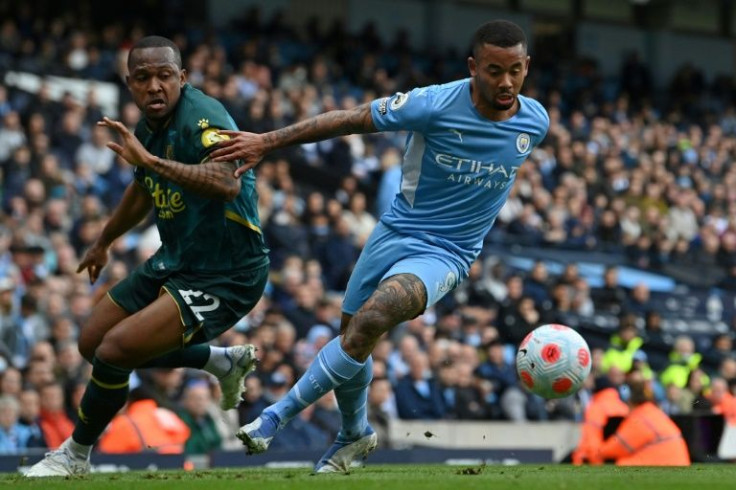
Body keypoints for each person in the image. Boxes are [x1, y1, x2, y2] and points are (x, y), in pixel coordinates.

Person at [211, 20, 548, 473]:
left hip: (448, 252)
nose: (505, 82)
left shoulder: (535, 122)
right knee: (354, 337)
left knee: (372, 319)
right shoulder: (432, 103)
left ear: (526, 67)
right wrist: (268, 142)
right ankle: (354, 436)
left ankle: (275, 416)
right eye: (493, 70)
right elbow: (349, 120)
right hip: (393, 233)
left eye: (514, 70)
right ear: (473, 68)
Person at [26, 35, 269, 477]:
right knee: (90, 344)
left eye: (163, 76)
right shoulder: (147, 130)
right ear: (129, 84)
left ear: (182, 78)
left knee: (115, 351)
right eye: (143, 78)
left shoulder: (203, 116)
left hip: (227, 272)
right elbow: (142, 189)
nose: (154, 86)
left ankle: (74, 457)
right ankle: (218, 360)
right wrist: (104, 239)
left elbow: (226, 181)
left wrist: (153, 163)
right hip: (178, 258)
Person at [595, 378, 690, 466]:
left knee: (620, 465)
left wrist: (597, 453)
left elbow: (617, 447)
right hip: (677, 462)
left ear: (630, 400)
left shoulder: (639, 418)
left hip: (666, 464)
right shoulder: (653, 412)